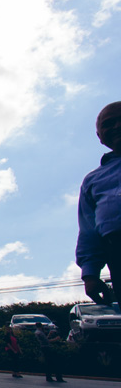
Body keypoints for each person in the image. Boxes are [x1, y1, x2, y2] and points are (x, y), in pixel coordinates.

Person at [77, 101, 121, 305]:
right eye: (109, 123)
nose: (117, 126)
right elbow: (89, 231)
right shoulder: (92, 181)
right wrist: (90, 274)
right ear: (99, 136)